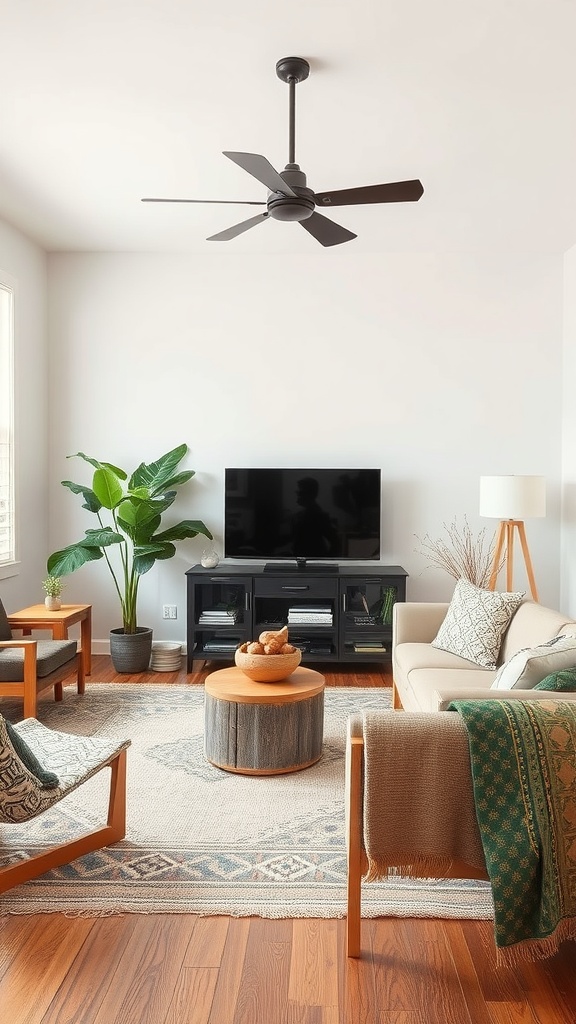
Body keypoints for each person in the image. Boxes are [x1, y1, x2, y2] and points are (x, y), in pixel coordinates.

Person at [291, 477, 340, 556]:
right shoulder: (300, 514)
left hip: (313, 562)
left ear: (309, 494)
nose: (297, 496)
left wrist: (324, 562)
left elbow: (336, 543)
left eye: (300, 493)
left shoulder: (319, 515)